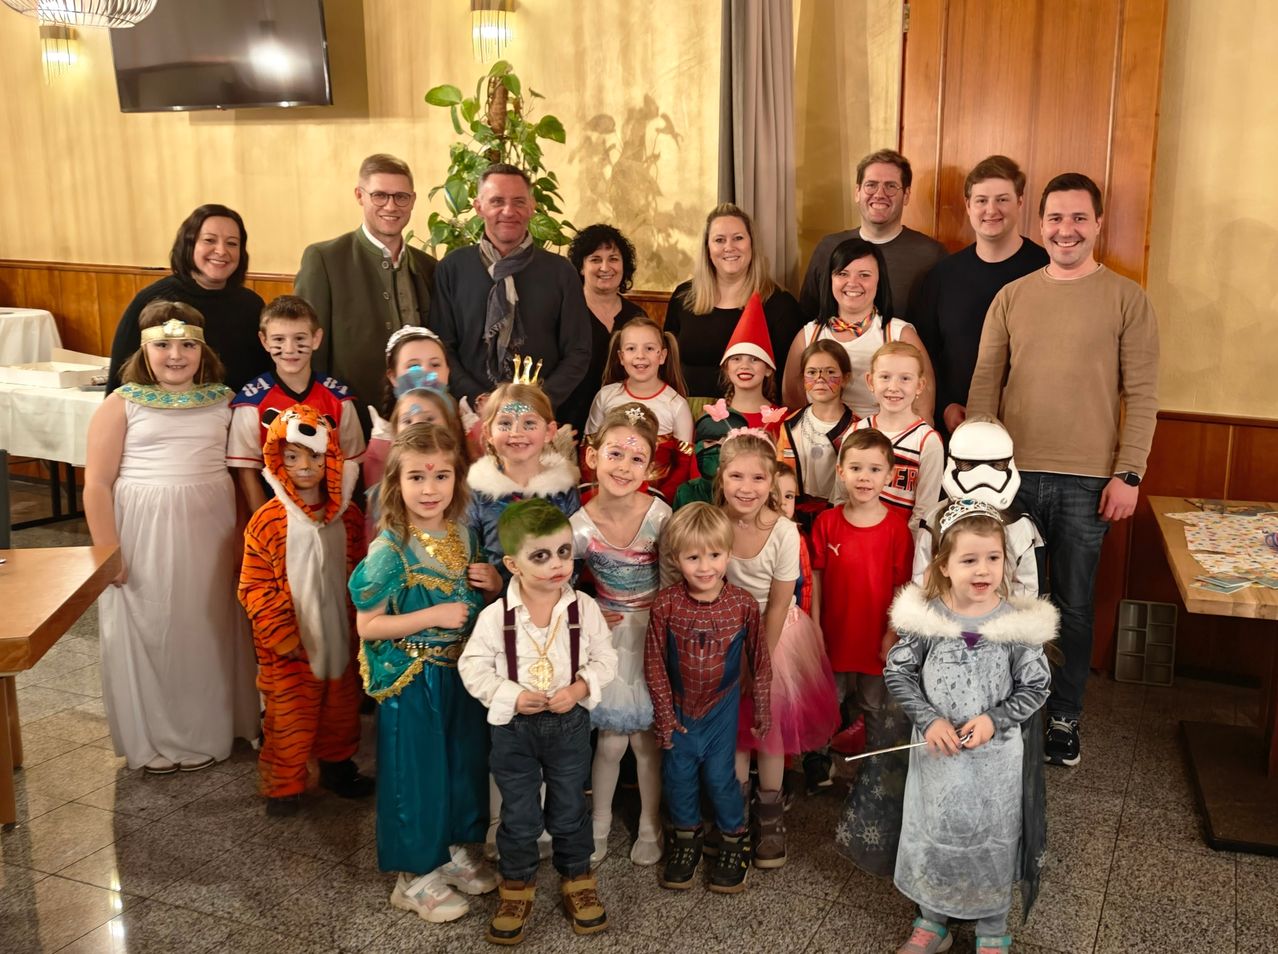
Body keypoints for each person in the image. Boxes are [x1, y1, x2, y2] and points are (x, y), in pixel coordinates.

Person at [967, 172, 1159, 767]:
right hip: (1008, 478)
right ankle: (1002, 710)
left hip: (1088, 481)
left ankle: (1065, 716)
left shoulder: (1127, 298)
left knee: (1073, 605)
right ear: (1040, 223)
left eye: (1078, 218)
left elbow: (1144, 393)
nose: (1066, 229)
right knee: (1002, 598)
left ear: (1098, 223)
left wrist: (1129, 474)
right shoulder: (1013, 296)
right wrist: (976, 467)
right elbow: (983, 386)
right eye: (1055, 218)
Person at [85, 302, 259, 773]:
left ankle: (211, 725)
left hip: (212, 529)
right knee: (154, 625)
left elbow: (242, 470)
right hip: (143, 532)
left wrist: (248, 537)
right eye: (163, 345)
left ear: (203, 350)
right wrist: (108, 554)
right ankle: (158, 735)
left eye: (187, 345)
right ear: (144, 350)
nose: (176, 355)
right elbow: (97, 484)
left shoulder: (225, 401)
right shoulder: (121, 403)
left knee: (205, 625)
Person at [884, 499, 1055, 954]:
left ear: (1006, 560)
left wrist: (994, 719)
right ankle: (932, 920)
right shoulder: (929, 620)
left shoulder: (1015, 623)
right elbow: (898, 672)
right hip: (937, 756)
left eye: (993, 558)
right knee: (936, 831)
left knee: (993, 837)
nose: (983, 570)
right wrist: (928, 718)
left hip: (995, 763)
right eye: (969, 559)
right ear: (944, 565)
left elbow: (1036, 685)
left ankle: (992, 928)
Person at [350, 424, 503, 924]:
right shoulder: (389, 550)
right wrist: (430, 618)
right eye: (417, 477)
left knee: (462, 766)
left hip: (461, 674)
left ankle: (456, 852)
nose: (430, 488)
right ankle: (414, 877)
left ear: (457, 480)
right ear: (397, 483)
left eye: (441, 475)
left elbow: (473, 600)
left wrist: (492, 583)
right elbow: (369, 624)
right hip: (412, 679)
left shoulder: (463, 534)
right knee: (415, 775)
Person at [458, 499, 618, 945]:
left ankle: (577, 877)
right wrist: (510, 695)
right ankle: (517, 884)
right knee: (520, 815)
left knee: (570, 808)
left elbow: (606, 657)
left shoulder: (582, 609)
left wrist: (581, 688)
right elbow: (473, 667)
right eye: (541, 556)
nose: (557, 565)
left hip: (568, 728)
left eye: (564, 552)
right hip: (514, 731)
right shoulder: (496, 617)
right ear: (512, 563)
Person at [237, 405, 372, 816]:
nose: (305, 465)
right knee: (288, 716)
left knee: (341, 707)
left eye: (315, 455)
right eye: (292, 456)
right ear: (277, 459)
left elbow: (361, 571)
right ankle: (285, 783)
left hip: (339, 638)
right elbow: (254, 586)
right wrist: (283, 635)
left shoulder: (348, 517)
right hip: (289, 649)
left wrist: (360, 625)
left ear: (330, 457)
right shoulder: (267, 522)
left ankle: (336, 765)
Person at [717, 430, 839, 869]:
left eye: (757, 478)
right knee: (733, 730)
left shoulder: (785, 532)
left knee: (767, 729)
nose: (746, 488)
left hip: (775, 637)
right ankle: (732, 814)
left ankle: (769, 817)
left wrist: (758, 663)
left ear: (772, 482)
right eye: (736, 476)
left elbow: (782, 599)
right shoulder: (714, 522)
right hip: (725, 634)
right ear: (721, 476)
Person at [645, 502, 770, 893]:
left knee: (721, 777)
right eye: (693, 557)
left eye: (714, 555)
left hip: (722, 707)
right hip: (680, 708)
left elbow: (761, 661)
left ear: (728, 554)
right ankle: (687, 838)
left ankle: (735, 838)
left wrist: (763, 707)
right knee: (677, 776)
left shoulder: (743, 604)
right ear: (675, 557)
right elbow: (653, 663)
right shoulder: (665, 604)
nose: (705, 567)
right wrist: (665, 716)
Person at [571, 404, 671, 866]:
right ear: (592, 456)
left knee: (645, 740)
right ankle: (599, 824)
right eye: (614, 454)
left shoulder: (660, 518)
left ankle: (651, 825)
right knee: (610, 740)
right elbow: (554, 584)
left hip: (653, 636)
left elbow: (679, 579)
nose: (623, 467)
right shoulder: (579, 525)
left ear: (650, 466)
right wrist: (587, 610)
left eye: (636, 459)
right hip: (608, 638)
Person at [813, 429, 914, 874]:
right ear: (841, 472)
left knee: (873, 707)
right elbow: (814, 577)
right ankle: (819, 767)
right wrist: (814, 626)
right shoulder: (827, 522)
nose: (864, 477)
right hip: (833, 636)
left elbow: (901, 586)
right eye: (855, 468)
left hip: (876, 638)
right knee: (827, 703)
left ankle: (870, 778)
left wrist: (892, 633)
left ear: (890, 475)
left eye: (875, 469)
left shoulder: (896, 527)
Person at [432, 164, 592, 416]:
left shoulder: (561, 272)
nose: (508, 211)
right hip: (470, 417)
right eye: (496, 201)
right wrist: (478, 399)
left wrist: (537, 402)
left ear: (532, 207)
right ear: (478, 207)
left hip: (541, 417)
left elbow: (578, 351)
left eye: (518, 201)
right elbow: (442, 347)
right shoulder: (452, 268)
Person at [295, 153, 438, 435]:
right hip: (348, 420)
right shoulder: (325, 259)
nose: (391, 206)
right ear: (360, 195)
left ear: (413, 200)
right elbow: (309, 349)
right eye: (380, 195)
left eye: (401, 197)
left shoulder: (429, 266)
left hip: (419, 421)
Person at [910, 156, 1050, 438]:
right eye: (981, 200)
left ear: (1020, 202)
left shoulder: (1045, 268)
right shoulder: (942, 275)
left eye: (1002, 200)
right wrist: (945, 405)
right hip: (958, 427)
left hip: (1031, 427)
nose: (991, 210)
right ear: (968, 205)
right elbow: (926, 352)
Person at [107, 204, 266, 394]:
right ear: (189, 244)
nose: (222, 251)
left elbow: (265, 373)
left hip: (239, 415)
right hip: (166, 417)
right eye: (209, 240)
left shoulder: (251, 305)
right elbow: (120, 378)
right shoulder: (152, 300)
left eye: (232, 243)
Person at [227, 295, 366, 513]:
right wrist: (268, 523)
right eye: (279, 340)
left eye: (300, 338)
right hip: (275, 513)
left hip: (331, 513)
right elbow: (247, 473)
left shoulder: (339, 399)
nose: (290, 349)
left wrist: (339, 515)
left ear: (316, 338)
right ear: (264, 341)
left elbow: (352, 465)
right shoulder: (251, 403)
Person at [782, 237, 936, 420]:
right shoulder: (807, 336)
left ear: (879, 281)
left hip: (883, 442)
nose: (852, 282)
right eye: (843, 273)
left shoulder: (900, 334)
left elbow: (924, 406)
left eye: (864, 275)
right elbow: (793, 404)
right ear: (830, 278)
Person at [664, 203, 805, 399]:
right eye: (719, 240)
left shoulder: (780, 305)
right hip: (684, 413)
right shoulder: (683, 297)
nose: (729, 247)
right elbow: (666, 365)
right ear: (708, 248)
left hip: (752, 421)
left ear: (752, 244)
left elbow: (789, 380)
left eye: (738, 238)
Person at [798, 149, 946, 320]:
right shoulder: (829, 247)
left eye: (890, 186)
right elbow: (807, 317)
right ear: (857, 192)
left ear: (906, 195)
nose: (879, 194)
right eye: (871, 185)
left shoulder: (931, 255)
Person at [913, 416, 1043, 596]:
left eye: (995, 464)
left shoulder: (1019, 525)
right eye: (969, 464)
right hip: (945, 618)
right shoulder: (935, 519)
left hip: (1003, 619)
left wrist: (1011, 620)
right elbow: (921, 580)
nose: (982, 474)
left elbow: (1027, 590)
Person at [466, 381, 580, 577]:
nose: (516, 432)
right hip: (498, 601)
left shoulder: (564, 490)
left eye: (529, 423)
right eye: (505, 423)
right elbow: (469, 555)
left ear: (549, 432)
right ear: (488, 432)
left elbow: (576, 553)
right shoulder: (477, 493)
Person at [583, 317, 695, 501]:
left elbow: (683, 464)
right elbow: (588, 449)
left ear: (662, 356)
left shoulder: (676, 404)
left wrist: (659, 500)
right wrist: (601, 491)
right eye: (631, 348)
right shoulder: (605, 396)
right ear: (621, 357)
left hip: (655, 499)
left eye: (649, 348)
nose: (640, 355)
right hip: (606, 494)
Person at [835, 343, 942, 532]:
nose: (893, 387)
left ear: (920, 385)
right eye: (885, 377)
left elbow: (925, 511)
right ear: (870, 381)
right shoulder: (855, 432)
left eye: (905, 379)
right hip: (854, 540)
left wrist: (906, 552)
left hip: (901, 550)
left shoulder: (927, 441)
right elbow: (840, 496)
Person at [364, 368, 471, 541]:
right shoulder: (381, 495)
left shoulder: (467, 488)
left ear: (450, 426)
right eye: (407, 421)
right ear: (394, 430)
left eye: (429, 419)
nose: (418, 425)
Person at [560, 224, 648, 431]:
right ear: (581, 267)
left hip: (624, 426)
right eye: (595, 259)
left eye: (613, 259)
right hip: (568, 427)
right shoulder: (563, 312)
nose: (605, 267)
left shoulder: (637, 316)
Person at [776, 339, 857, 514]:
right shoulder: (790, 426)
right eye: (812, 372)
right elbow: (780, 476)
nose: (820, 379)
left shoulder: (858, 429)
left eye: (830, 372)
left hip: (839, 516)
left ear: (845, 378)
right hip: (794, 516)